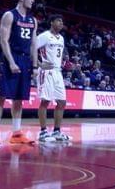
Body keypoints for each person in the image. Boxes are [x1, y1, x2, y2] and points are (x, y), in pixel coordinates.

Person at [0, 0, 48, 146]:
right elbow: (3, 41)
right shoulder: (10, 15)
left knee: (19, 99)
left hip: (25, 60)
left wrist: (34, 66)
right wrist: (11, 61)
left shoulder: (33, 20)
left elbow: (34, 44)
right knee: (1, 97)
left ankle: (17, 133)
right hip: (10, 58)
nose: (33, 0)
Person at [35, 14, 71, 143]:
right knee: (45, 101)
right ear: (51, 22)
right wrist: (39, 64)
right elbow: (31, 47)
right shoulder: (44, 36)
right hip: (46, 71)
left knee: (62, 102)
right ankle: (43, 132)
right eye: (58, 21)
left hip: (58, 72)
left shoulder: (61, 38)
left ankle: (57, 131)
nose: (61, 23)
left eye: (62, 21)